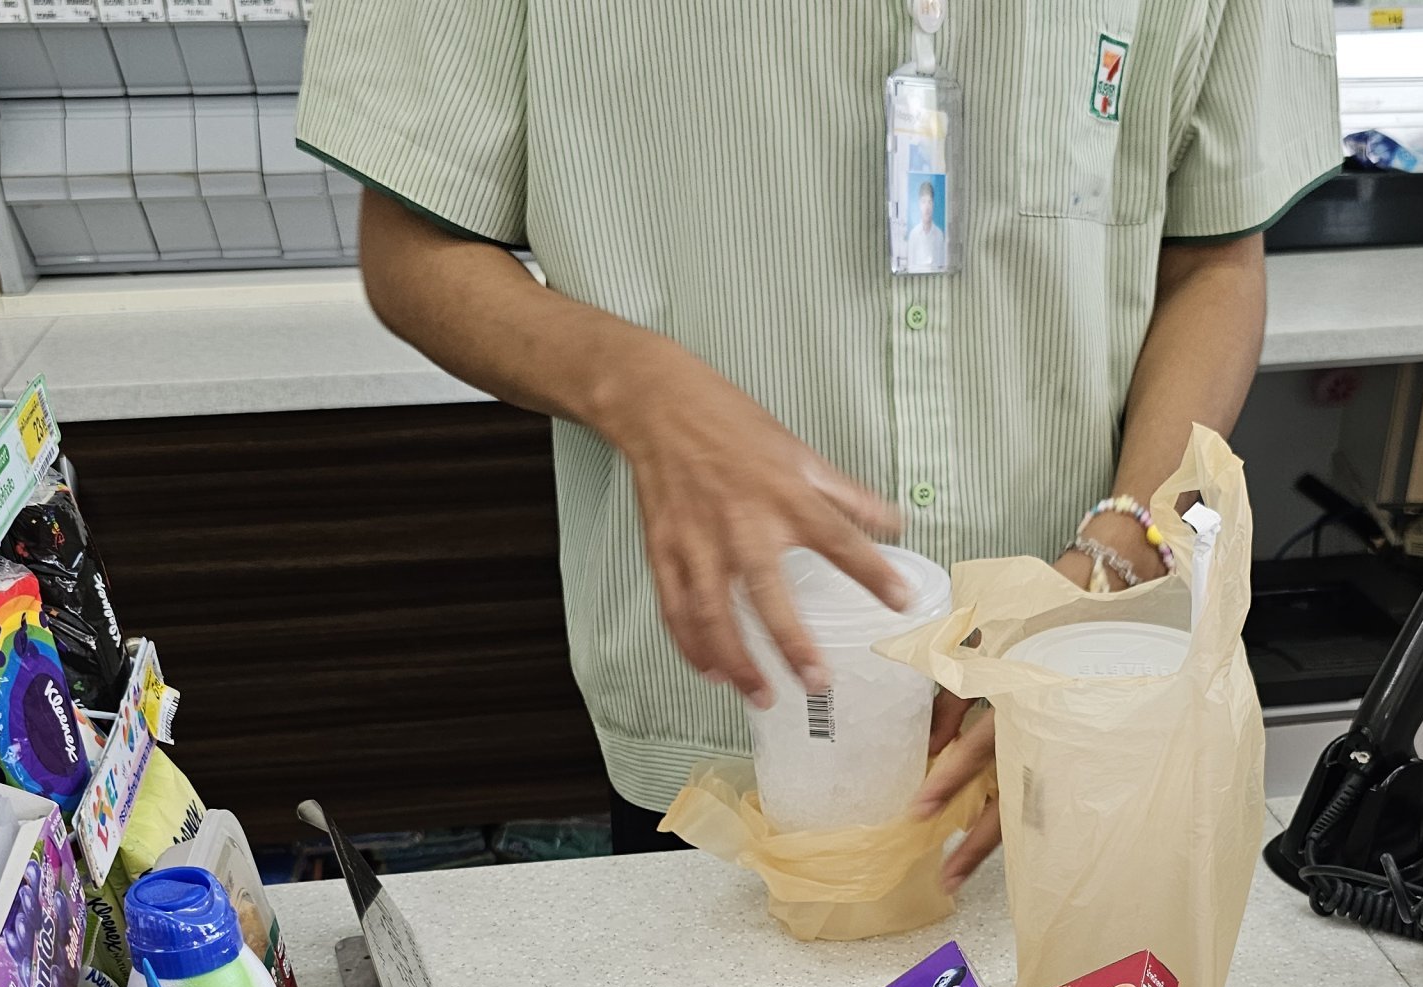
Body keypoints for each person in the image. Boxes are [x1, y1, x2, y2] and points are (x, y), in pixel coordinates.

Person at [296, 3, 1338, 871]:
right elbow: (413, 245)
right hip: (728, 714)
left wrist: (1113, 559)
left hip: (1066, 684)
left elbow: (1214, 256)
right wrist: (639, 387)